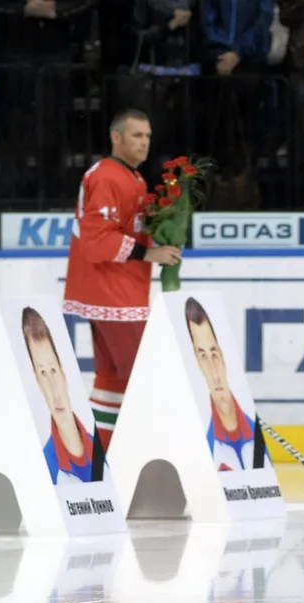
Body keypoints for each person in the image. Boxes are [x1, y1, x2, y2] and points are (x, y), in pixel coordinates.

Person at [63, 108, 182, 452]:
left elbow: (124, 230)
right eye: (136, 135)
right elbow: (97, 240)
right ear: (116, 138)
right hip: (113, 294)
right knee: (143, 379)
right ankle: (143, 457)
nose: (144, 143)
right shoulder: (107, 177)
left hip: (119, 291)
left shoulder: (133, 178)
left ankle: (100, 457)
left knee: (111, 381)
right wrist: (149, 254)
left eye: (147, 136)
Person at [21, 307, 103, 485]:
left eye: (53, 370)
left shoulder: (100, 454)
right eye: (43, 373)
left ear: (63, 373)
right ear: (37, 382)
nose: (53, 389)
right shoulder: (47, 470)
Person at [184, 297, 263, 472]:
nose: (213, 372)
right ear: (196, 362)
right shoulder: (205, 450)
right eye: (203, 356)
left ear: (223, 356)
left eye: (214, 354)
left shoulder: (256, 437)